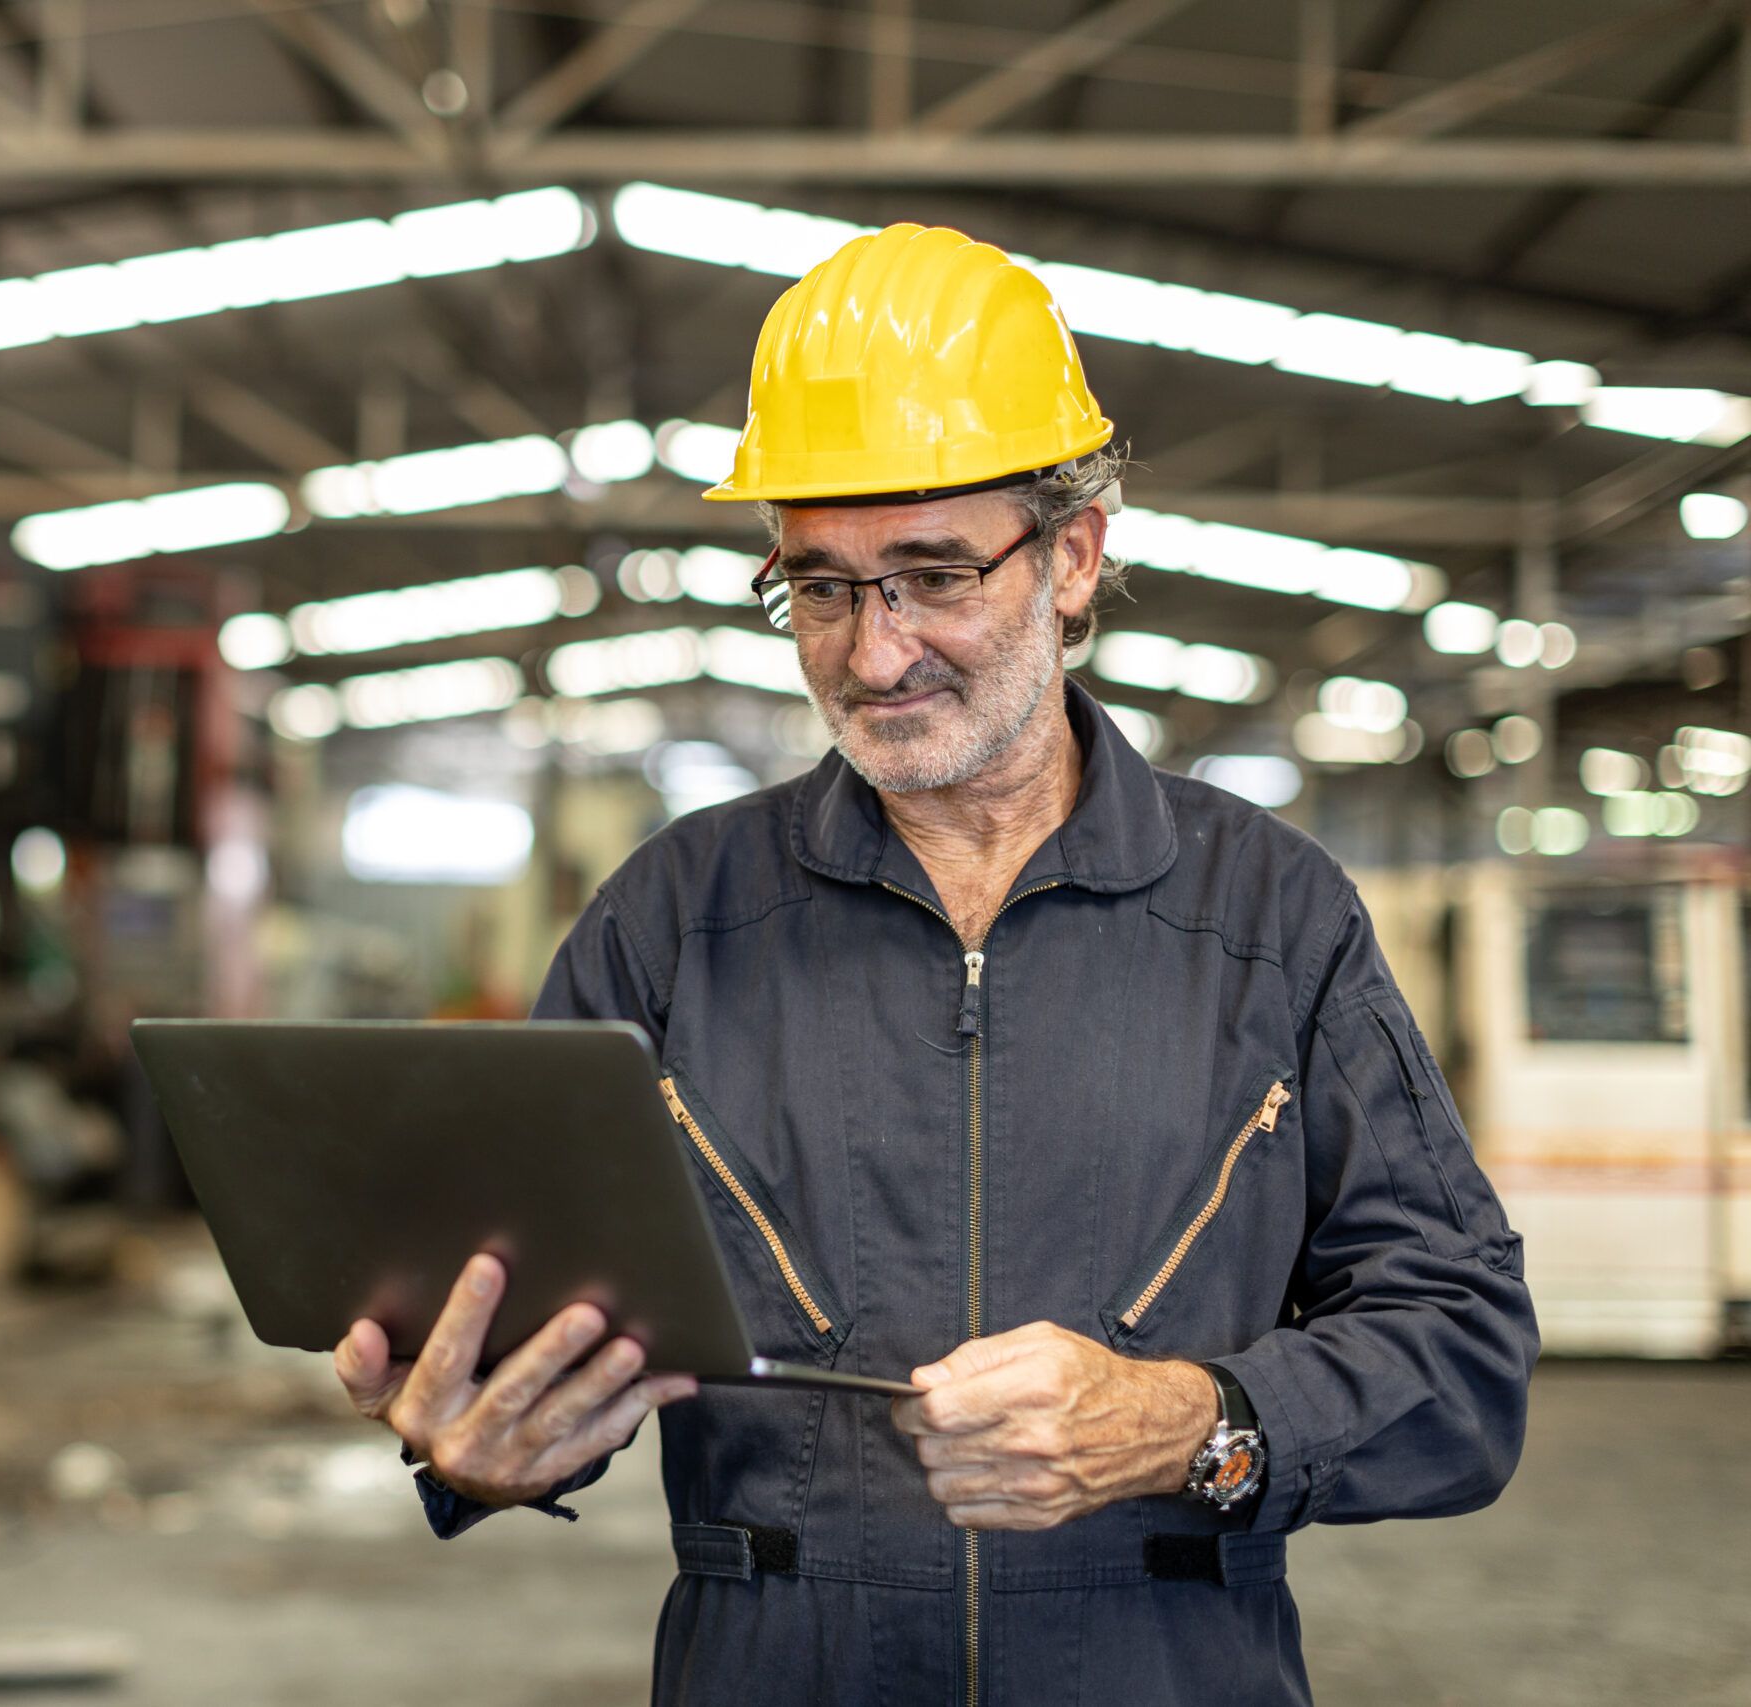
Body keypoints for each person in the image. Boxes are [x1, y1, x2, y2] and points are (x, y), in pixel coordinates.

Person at [332, 221, 1538, 1705]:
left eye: (934, 572)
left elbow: (1466, 1359)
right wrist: (478, 1437)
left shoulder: (1269, 922)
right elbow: (512, 1312)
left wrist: (1192, 1421)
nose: (873, 652)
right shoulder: (674, 926)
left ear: (1077, 557)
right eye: (822, 587)